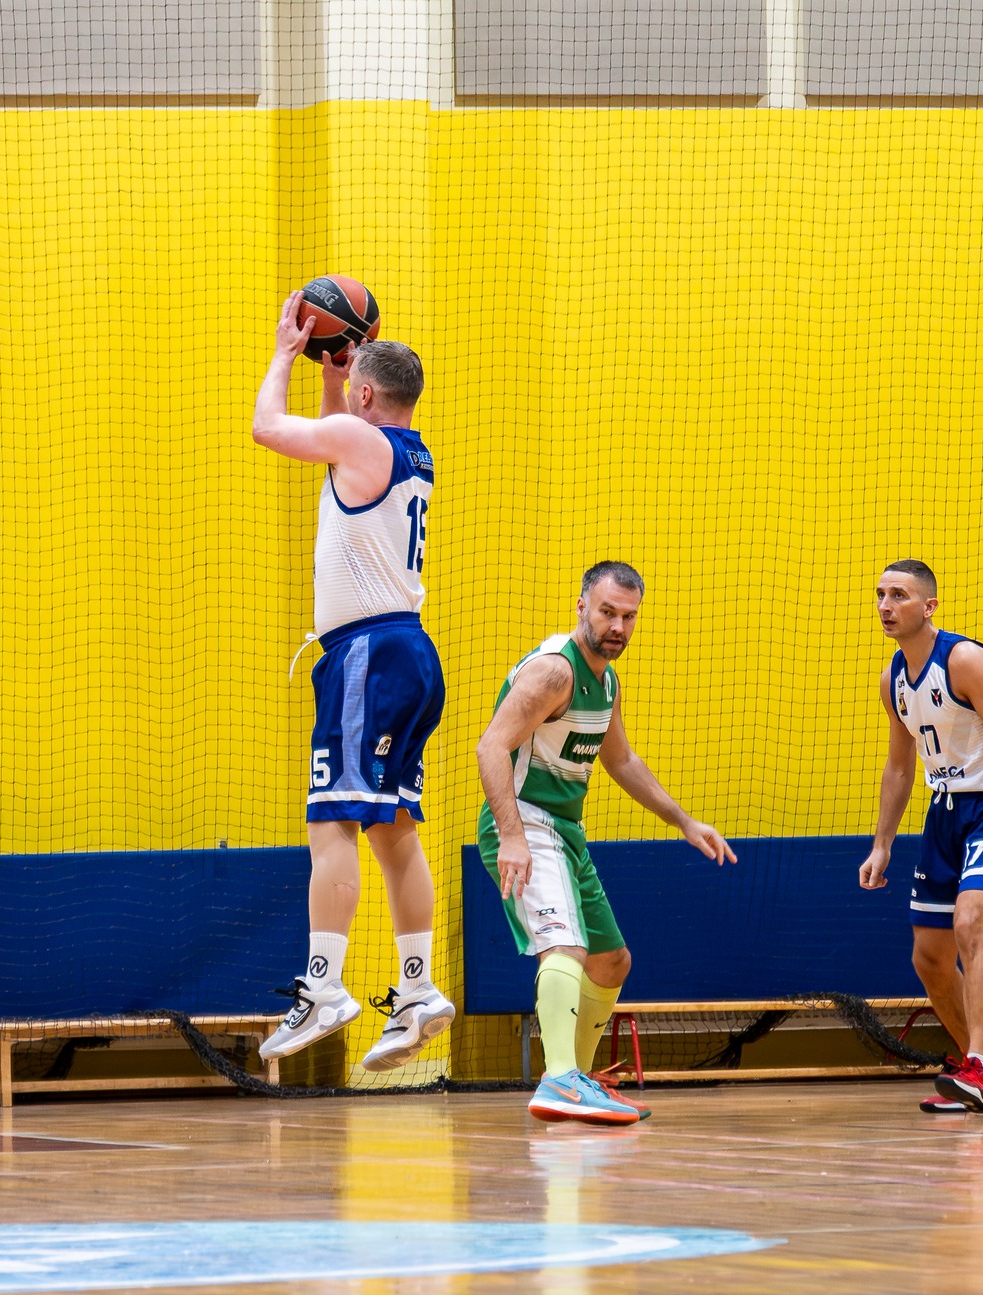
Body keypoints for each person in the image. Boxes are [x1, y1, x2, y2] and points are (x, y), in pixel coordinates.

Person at [250, 294, 454, 1071]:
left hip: (367, 655)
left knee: (330, 821)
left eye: (349, 386)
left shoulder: (359, 442)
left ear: (368, 394)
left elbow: (269, 427)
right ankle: (418, 990)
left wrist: (284, 354)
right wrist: (336, 374)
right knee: (394, 830)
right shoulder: (407, 450)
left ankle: (325, 985)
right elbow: (336, 437)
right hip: (409, 651)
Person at [476, 562, 736, 1125]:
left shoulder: (608, 682)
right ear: (582, 608)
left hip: (565, 830)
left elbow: (621, 760)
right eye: (607, 612)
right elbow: (490, 747)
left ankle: (578, 1077)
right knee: (564, 947)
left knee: (612, 962)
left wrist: (684, 822)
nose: (617, 626)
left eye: (628, 616)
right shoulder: (554, 672)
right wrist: (512, 837)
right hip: (523, 821)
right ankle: (558, 1080)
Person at [859, 560, 983, 1114]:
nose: (885, 605)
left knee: (971, 923)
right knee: (929, 957)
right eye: (880, 594)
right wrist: (882, 844)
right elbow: (900, 765)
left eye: (898, 595)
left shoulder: (964, 659)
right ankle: (972, 1070)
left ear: (929, 607)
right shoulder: (892, 679)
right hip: (944, 812)